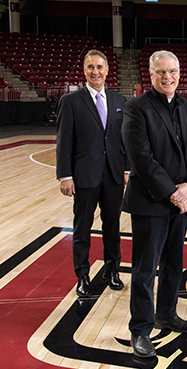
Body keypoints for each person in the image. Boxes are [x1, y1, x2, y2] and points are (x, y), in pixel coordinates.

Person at [121, 50, 187, 358]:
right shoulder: (135, 108)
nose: (167, 77)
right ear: (150, 74)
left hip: (182, 202)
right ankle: (140, 330)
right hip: (151, 202)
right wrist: (172, 191)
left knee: (174, 264)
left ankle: (167, 314)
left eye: (172, 71)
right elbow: (140, 158)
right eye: (161, 72)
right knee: (145, 269)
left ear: (179, 73)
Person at [56, 49, 127, 298]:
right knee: (82, 227)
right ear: (84, 71)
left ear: (107, 70)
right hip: (84, 175)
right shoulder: (70, 101)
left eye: (99, 67)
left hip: (114, 176)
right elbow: (64, 141)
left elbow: (125, 139)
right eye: (90, 67)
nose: (95, 71)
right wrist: (65, 175)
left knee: (112, 227)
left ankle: (112, 270)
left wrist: (127, 168)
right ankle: (82, 275)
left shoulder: (120, 101)